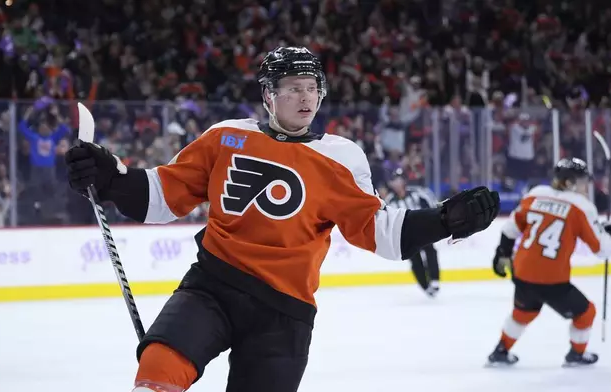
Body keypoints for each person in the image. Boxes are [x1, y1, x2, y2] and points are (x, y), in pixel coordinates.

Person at [65, 46, 500, 392]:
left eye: (312, 87)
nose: (305, 96)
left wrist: (446, 220)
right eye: (292, 87)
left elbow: (380, 233)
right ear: (269, 95)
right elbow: (160, 197)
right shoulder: (225, 137)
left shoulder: (342, 156)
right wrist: (111, 177)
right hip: (213, 287)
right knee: (158, 368)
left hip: (284, 313)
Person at [487, 158, 611, 367]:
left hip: (521, 272)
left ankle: (500, 351)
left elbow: (510, 229)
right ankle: (576, 354)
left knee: (524, 312)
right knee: (586, 313)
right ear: (569, 183)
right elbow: (602, 249)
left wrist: (502, 253)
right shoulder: (581, 207)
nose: (586, 186)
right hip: (552, 279)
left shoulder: (535, 194)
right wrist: (610, 233)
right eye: (582, 181)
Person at [385, 168, 441, 297]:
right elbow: (386, 220)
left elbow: (431, 205)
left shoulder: (417, 194)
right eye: (395, 181)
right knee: (415, 260)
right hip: (407, 236)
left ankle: (434, 280)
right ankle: (425, 285)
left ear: (404, 181)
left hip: (423, 230)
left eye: (399, 180)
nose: (397, 183)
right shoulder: (390, 201)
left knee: (430, 251)